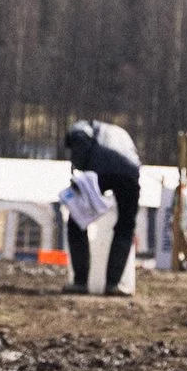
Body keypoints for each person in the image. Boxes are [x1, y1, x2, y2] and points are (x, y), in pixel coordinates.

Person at [62, 118, 142, 295]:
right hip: (130, 173)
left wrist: (77, 172)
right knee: (125, 226)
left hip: (100, 169)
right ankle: (113, 284)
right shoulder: (119, 132)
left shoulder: (82, 127)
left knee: (76, 222)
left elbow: (80, 140)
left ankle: (80, 282)